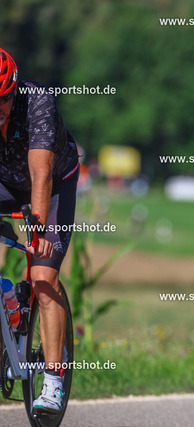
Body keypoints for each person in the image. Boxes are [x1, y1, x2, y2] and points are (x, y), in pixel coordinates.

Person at [0, 48, 79, 415]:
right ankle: (9, 301)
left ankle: (52, 381)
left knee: (44, 277)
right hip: (5, 182)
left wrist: (40, 229)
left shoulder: (38, 103)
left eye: (2, 100)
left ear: (14, 91)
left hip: (53, 183)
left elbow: (41, 174)